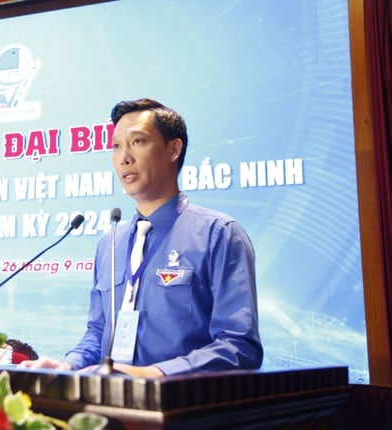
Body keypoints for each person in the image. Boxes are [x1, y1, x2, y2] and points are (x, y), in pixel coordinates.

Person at [20, 98, 263, 378]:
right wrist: (68, 364)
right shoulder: (109, 243)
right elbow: (98, 332)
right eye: (116, 146)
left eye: (137, 142)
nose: (124, 157)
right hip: (109, 406)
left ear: (173, 149)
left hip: (180, 409)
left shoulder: (219, 234)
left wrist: (155, 374)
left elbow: (239, 346)